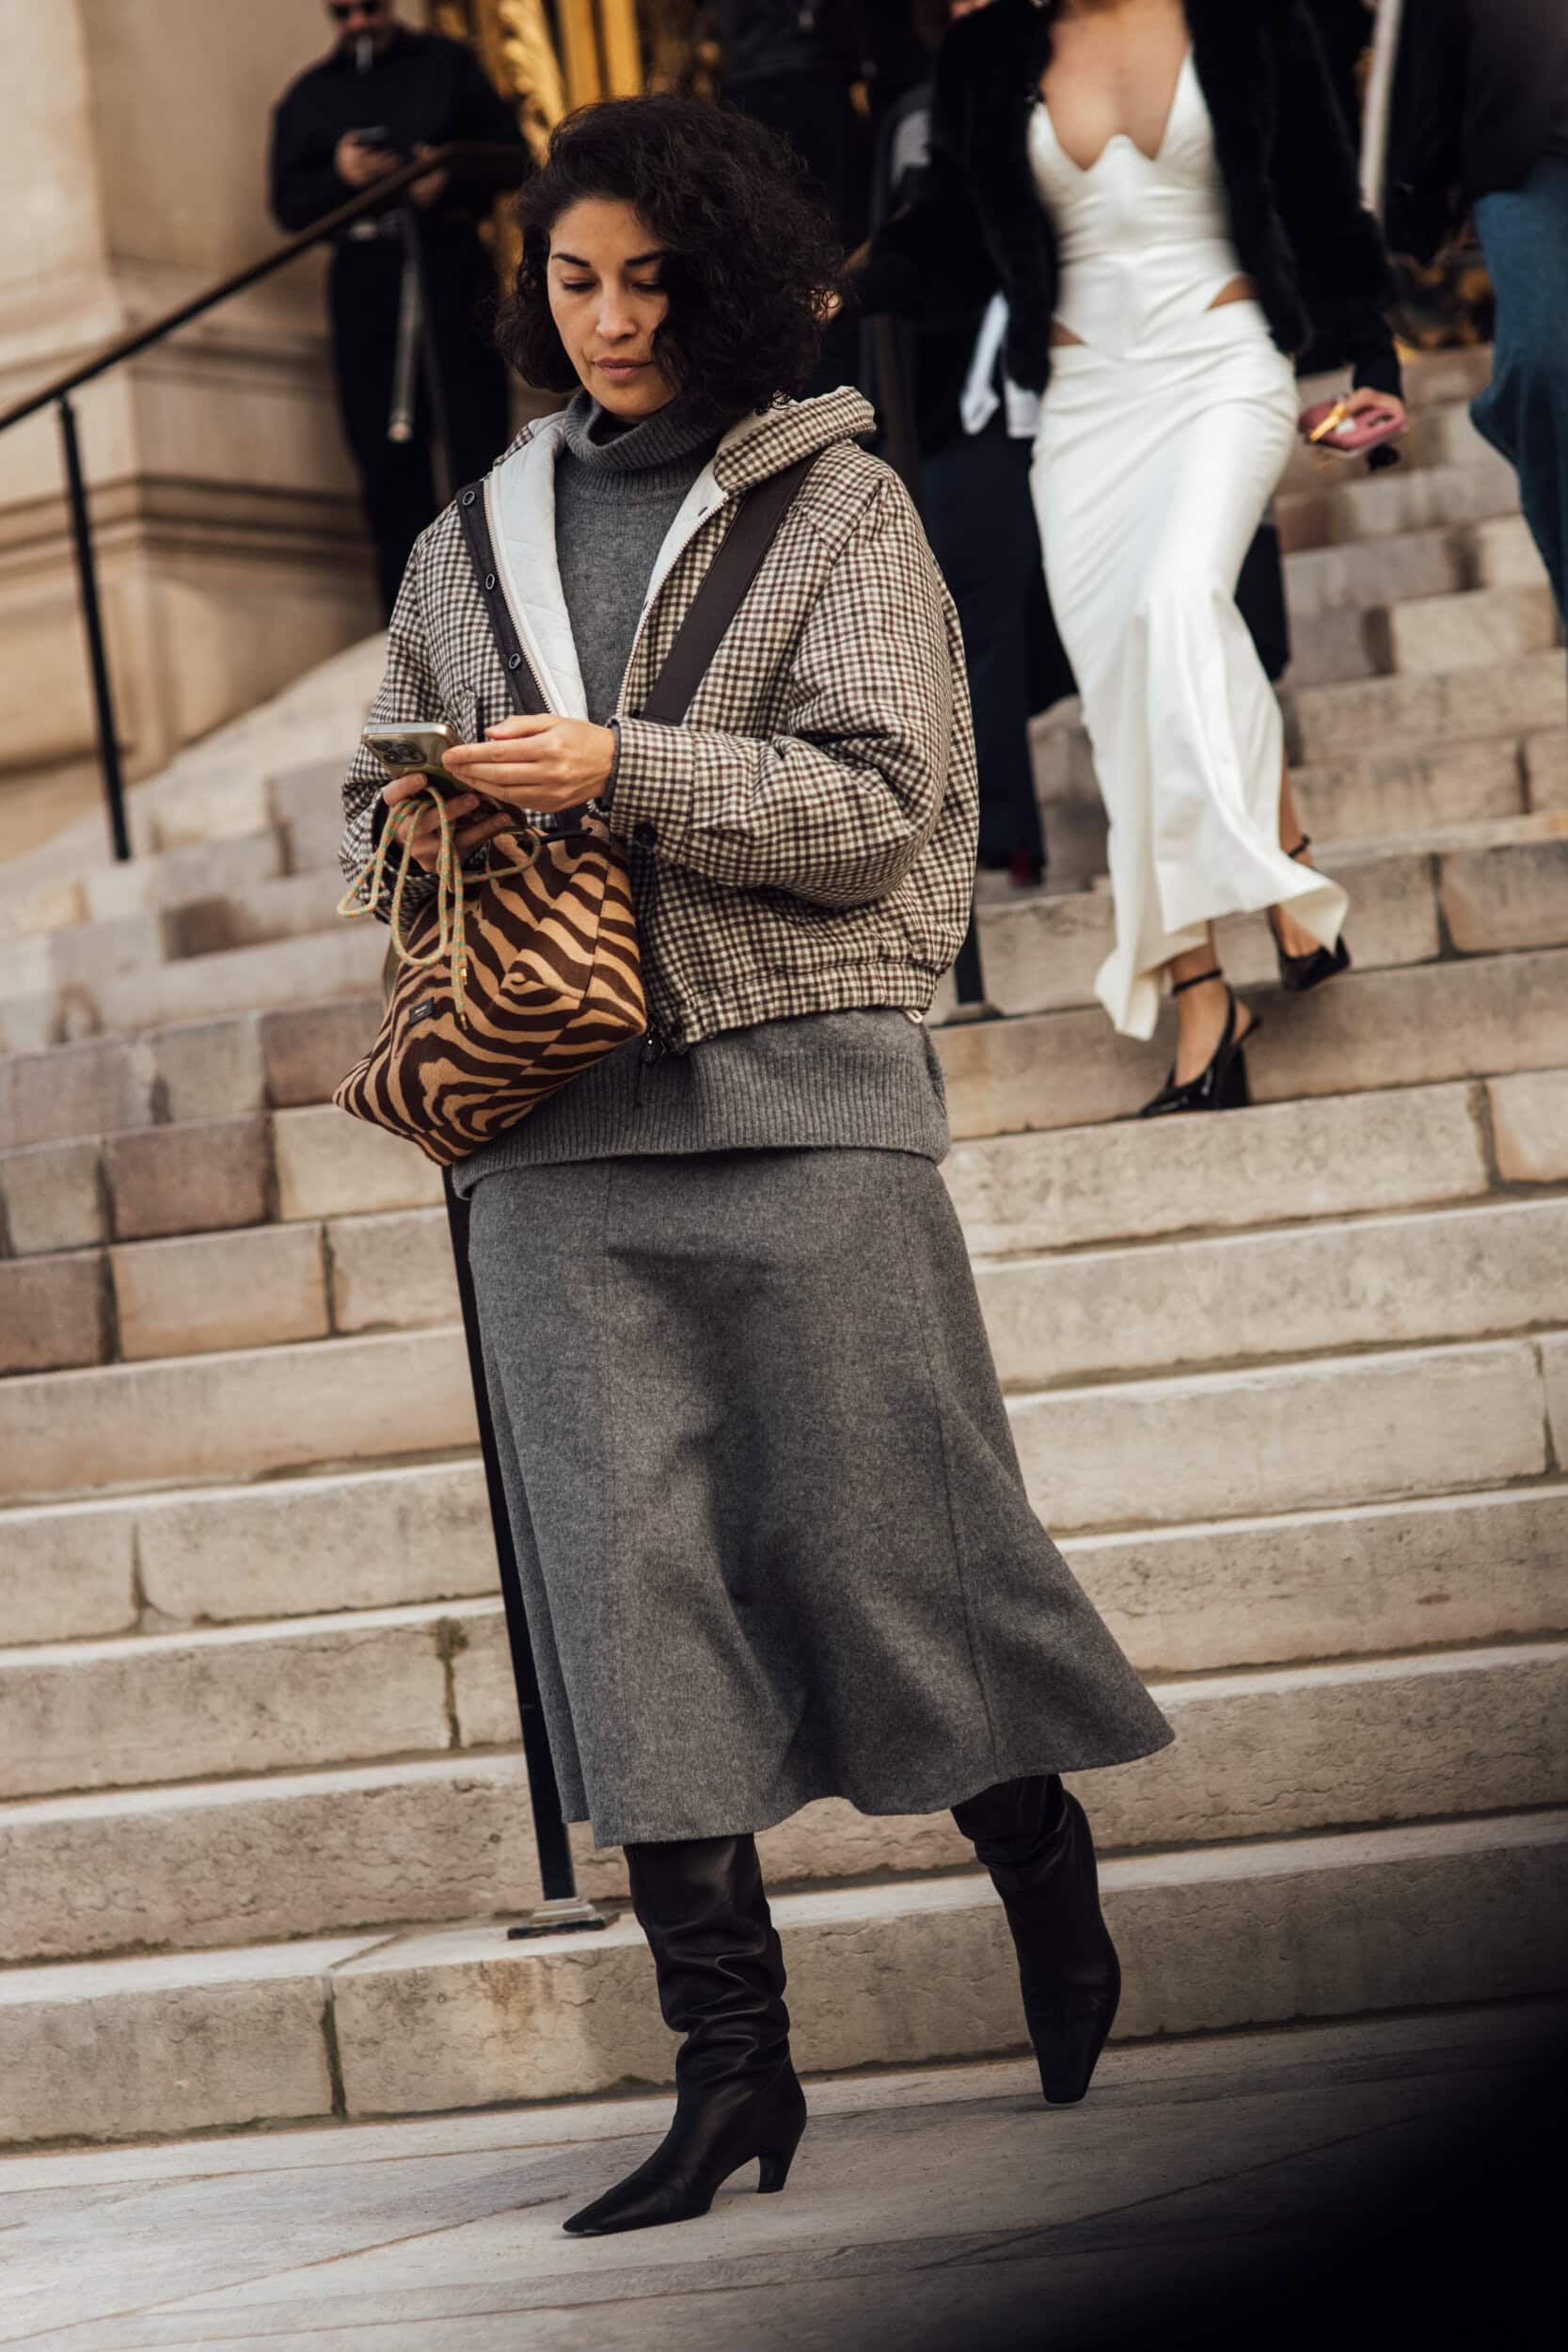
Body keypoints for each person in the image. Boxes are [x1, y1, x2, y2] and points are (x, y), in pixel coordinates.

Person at [340, 93, 1171, 2239]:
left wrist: (625, 765)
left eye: (649, 278)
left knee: (899, 1561)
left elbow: (886, 808)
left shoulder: (839, 512)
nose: (610, 320)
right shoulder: (468, 542)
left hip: (801, 1098)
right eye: (574, 282)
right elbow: (376, 816)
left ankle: (1038, 1860)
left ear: (724, 278)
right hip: (550, 1134)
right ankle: (733, 2074)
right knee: (628, 1606)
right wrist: (425, 814)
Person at [857, 0, 1406, 1113]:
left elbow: (1317, 192)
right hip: (1082, 409)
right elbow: (951, 237)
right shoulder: (989, 50)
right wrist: (830, 286)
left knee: (1175, 604)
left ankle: (1275, 866)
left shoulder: (1250, 23)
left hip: (1222, 365)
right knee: (1119, 693)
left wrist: (1369, 354)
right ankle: (1206, 996)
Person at [269, 0, 527, 620]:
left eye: (370, 8)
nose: (358, 23)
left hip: (449, 263)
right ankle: (408, 612)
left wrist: (442, 176)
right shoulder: (309, 95)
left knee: (473, 425)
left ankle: (499, 592)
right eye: (344, 12)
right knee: (381, 446)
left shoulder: (448, 64)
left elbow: (513, 156)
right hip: (366, 280)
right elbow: (288, 205)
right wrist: (342, 173)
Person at [1386, 0, 1568, 618]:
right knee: (1544, 363)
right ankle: (1518, 407)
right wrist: (1424, 183)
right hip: (1527, 156)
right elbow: (1436, 27)